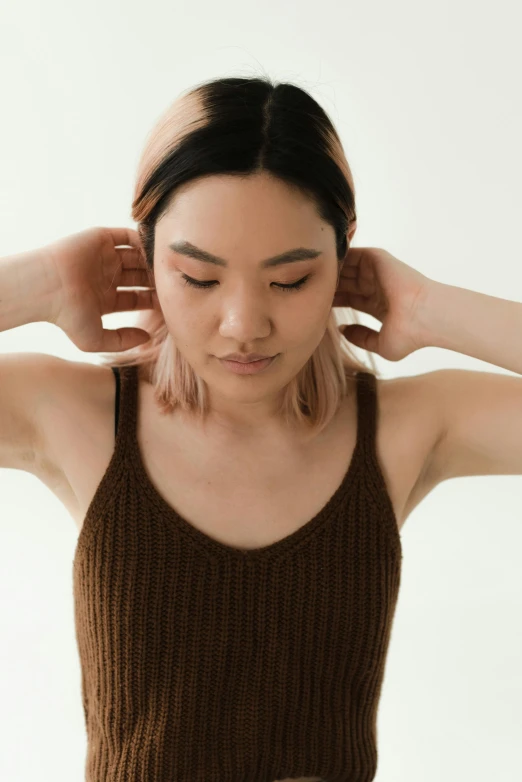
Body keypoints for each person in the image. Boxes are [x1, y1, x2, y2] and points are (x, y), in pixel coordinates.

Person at [2, 74, 521, 782]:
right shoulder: (76, 415)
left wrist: (432, 309)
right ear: (147, 257)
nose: (245, 325)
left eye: (290, 280)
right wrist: (38, 285)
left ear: (343, 259)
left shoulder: (402, 429)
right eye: (198, 277)